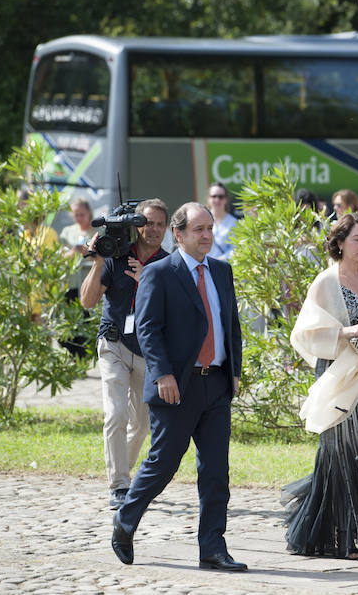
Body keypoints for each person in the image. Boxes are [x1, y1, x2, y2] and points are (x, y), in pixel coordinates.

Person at [111, 202, 245, 571]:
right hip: (176, 387)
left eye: (210, 229)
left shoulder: (222, 270)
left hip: (216, 385)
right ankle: (125, 520)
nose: (206, 236)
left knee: (216, 471)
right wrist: (163, 373)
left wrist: (234, 368)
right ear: (178, 234)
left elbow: (230, 323)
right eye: (198, 229)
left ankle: (213, 549)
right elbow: (147, 329)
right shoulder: (159, 273)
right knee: (164, 463)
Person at [283, 213, 358, 559]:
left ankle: (321, 523)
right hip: (337, 372)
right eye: (357, 240)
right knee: (339, 451)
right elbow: (305, 332)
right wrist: (346, 332)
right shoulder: (325, 281)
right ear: (339, 243)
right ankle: (346, 536)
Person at [80, 199, 169, 509]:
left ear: (167, 228)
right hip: (114, 345)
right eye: (147, 222)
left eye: (160, 223)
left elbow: (172, 313)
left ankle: (124, 475)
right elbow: (88, 302)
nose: (153, 229)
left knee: (141, 425)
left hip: (147, 351)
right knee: (116, 414)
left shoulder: (169, 264)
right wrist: (98, 261)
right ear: (135, 224)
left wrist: (146, 279)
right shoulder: (116, 255)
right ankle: (119, 486)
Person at [59, 198, 98, 357]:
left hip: (91, 284)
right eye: (75, 215)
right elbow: (59, 255)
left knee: (86, 324)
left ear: (89, 213)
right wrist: (73, 252)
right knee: (70, 324)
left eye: (81, 214)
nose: (79, 218)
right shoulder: (67, 232)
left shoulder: (97, 232)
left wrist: (88, 254)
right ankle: (74, 357)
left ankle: (84, 358)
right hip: (71, 284)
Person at [206, 182, 239, 261]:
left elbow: (236, 248)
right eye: (214, 196)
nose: (217, 200)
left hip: (225, 267)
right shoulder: (201, 220)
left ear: (226, 199)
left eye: (221, 197)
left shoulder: (234, 223)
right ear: (208, 199)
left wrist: (221, 259)